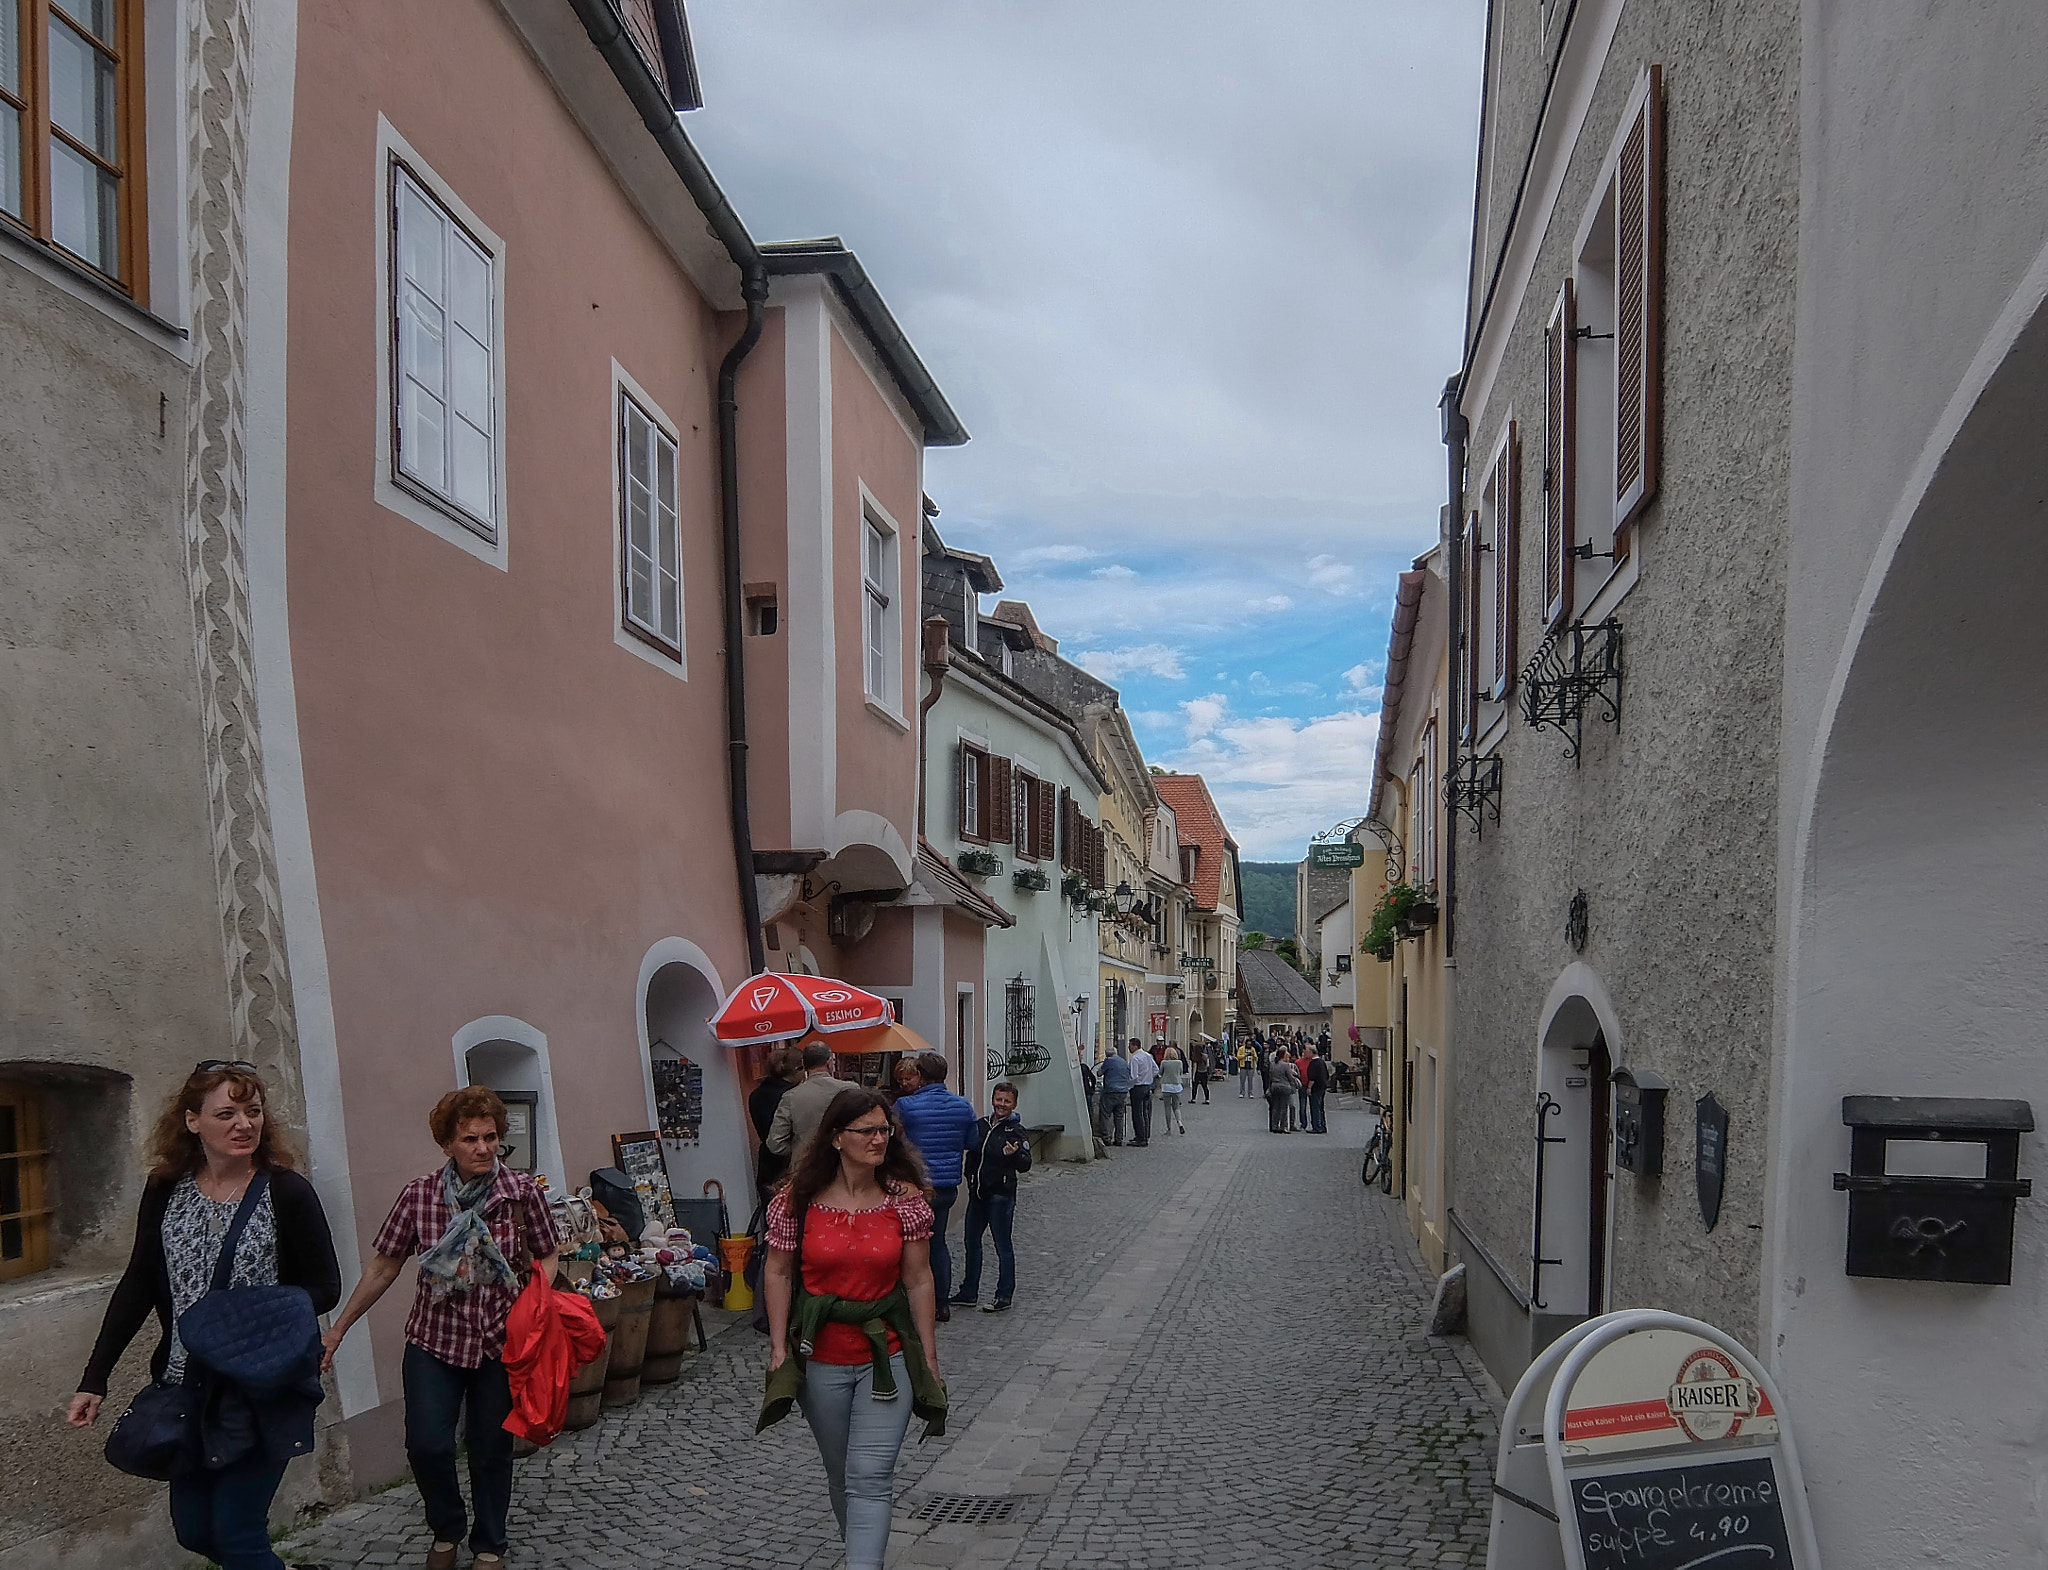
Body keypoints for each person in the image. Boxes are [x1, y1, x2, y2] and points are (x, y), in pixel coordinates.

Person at [70, 1063, 342, 1570]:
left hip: (260, 1388)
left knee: (239, 1536)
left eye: (253, 1111)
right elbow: (139, 1283)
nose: (244, 1124)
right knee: (195, 1531)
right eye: (227, 1113)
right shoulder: (165, 1188)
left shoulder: (286, 1192)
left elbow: (324, 1288)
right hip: (184, 1387)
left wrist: (246, 1317)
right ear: (193, 1121)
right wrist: (96, 1377)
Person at [321, 1087, 560, 1570]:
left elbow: (549, 1252)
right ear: (448, 1143)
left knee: (490, 1449)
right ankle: (447, 1528)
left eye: (491, 1137)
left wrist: (536, 1300)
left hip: (499, 1342)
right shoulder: (420, 1196)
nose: (483, 1148)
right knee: (426, 1444)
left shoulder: (521, 1194)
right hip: (434, 1342)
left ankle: (490, 1543)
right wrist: (339, 1328)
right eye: (470, 1138)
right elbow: (385, 1266)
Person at [762, 1089, 943, 1570]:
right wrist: (779, 1346)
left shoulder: (905, 1203)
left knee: (870, 1474)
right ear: (837, 1138)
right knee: (842, 1475)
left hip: (888, 1356)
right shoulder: (795, 1202)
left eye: (885, 1129)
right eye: (867, 1130)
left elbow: (919, 1279)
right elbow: (778, 1271)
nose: (879, 1139)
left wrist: (928, 1356)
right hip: (819, 1356)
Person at [892, 1053, 976, 1322]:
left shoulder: (905, 1105)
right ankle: (942, 1303)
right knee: (937, 1242)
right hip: (948, 1185)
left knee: (909, 1243)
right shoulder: (963, 1106)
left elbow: (894, 1142)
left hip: (915, 1185)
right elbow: (971, 1142)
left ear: (921, 1074)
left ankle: (910, 1299)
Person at [951, 1082, 1031, 1312]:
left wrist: (1013, 1156)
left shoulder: (1016, 1131)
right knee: (971, 1243)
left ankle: (1004, 1295)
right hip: (978, 1195)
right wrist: (969, 1176)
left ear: (1014, 1104)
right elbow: (973, 1154)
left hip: (1000, 1196)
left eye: (1006, 1101)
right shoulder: (982, 1125)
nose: (1001, 1105)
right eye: (998, 1099)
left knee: (1002, 1246)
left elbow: (1026, 1165)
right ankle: (969, 1292)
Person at [766, 1040, 844, 1163]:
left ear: (804, 1065)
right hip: (843, 1162)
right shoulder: (850, 1089)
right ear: (829, 1063)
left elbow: (775, 1143)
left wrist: (799, 1149)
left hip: (805, 1166)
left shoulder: (790, 1097)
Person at [750, 1046, 807, 1205]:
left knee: (772, 1214)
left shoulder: (756, 1095)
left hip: (767, 1162)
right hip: (790, 1162)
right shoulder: (794, 1096)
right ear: (797, 1069)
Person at [1095, 1044, 1131, 1145]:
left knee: (1105, 1115)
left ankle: (1106, 1138)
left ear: (1107, 1055)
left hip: (1110, 1091)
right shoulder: (1123, 1061)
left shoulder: (1108, 1061)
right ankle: (1118, 1139)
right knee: (1119, 1116)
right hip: (1123, 1091)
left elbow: (1100, 1073)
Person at [1127, 1037, 1158, 1146]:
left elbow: (1133, 1076)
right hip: (1147, 1086)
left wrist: (1129, 1086)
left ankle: (1140, 1137)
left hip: (1138, 1087)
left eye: (1130, 1045)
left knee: (1137, 1113)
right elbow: (1156, 1069)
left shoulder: (1135, 1059)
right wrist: (1148, 1077)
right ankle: (1145, 1134)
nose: (1128, 1048)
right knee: (1146, 1112)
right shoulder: (1148, 1056)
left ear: (1135, 1045)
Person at [1156, 1045, 1187, 1135]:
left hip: (1166, 1086)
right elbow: (1180, 1072)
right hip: (1177, 1085)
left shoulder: (1164, 1062)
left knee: (1167, 1107)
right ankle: (1180, 1123)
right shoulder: (1179, 1062)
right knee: (1176, 1107)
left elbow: (1160, 1073)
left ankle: (1169, 1128)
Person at [1267, 1050, 1300, 1134]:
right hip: (1284, 1087)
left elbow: (1270, 1076)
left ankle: (1274, 1125)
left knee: (1275, 1107)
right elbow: (1289, 1077)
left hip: (1274, 1086)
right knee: (1283, 1107)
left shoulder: (1273, 1065)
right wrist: (1294, 1084)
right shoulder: (1285, 1065)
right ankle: (1283, 1126)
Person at [1307, 1050, 1332, 1134]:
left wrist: (1309, 1087)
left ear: (1312, 1053)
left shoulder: (1314, 1063)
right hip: (1322, 1087)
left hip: (1316, 1087)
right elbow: (1327, 1075)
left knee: (1315, 1107)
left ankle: (1317, 1126)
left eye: (1308, 1052)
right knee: (1321, 1107)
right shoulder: (1322, 1062)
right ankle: (1323, 1125)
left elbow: (1312, 1077)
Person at [1295, 1044, 1314, 1131]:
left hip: (1312, 1086)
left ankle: (1314, 1123)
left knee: (1313, 1106)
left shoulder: (1313, 1061)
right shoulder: (1298, 1062)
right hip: (1302, 1086)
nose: (1309, 1052)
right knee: (1302, 1105)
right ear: (1303, 1051)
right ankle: (1303, 1123)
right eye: (1308, 1050)